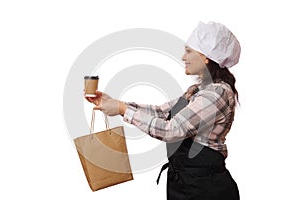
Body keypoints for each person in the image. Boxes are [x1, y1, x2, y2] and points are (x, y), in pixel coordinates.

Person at [85, 21, 241, 200]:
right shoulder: (197, 91)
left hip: (206, 189)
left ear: (206, 57)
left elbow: (172, 130)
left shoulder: (217, 93)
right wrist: (117, 104)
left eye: (189, 51)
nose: (184, 57)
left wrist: (123, 109)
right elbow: (161, 112)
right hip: (185, 184)